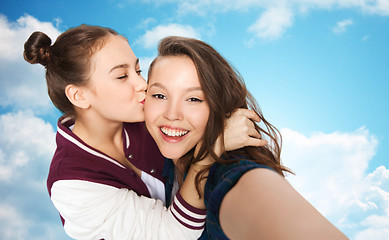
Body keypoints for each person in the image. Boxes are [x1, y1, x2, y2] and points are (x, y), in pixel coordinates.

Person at [23, 25, 264, 239]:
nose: (142, 85)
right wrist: (211, 151)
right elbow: (172, 234)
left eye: (138, 71)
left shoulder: (146, 114)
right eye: (121, 76)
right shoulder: (72, 184)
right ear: (79, 96)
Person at [145, 36, 349, 239]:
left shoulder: (231, 172)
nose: (172, 114)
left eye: (194, 99)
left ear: (219, 105)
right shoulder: (155, 159)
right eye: (159, 96)